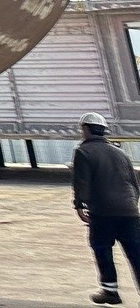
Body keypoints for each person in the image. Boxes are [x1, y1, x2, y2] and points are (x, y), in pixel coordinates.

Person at [75, 111, 140, 303]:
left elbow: (82, 181)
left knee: (102, 247)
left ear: (86, 130)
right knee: (136, 252)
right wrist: (131, 205)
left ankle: (110, 291)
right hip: (129, 211)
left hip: (103, 212)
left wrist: (80, 205)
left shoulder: (83, 151)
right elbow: (134, 184)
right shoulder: (120, 153)